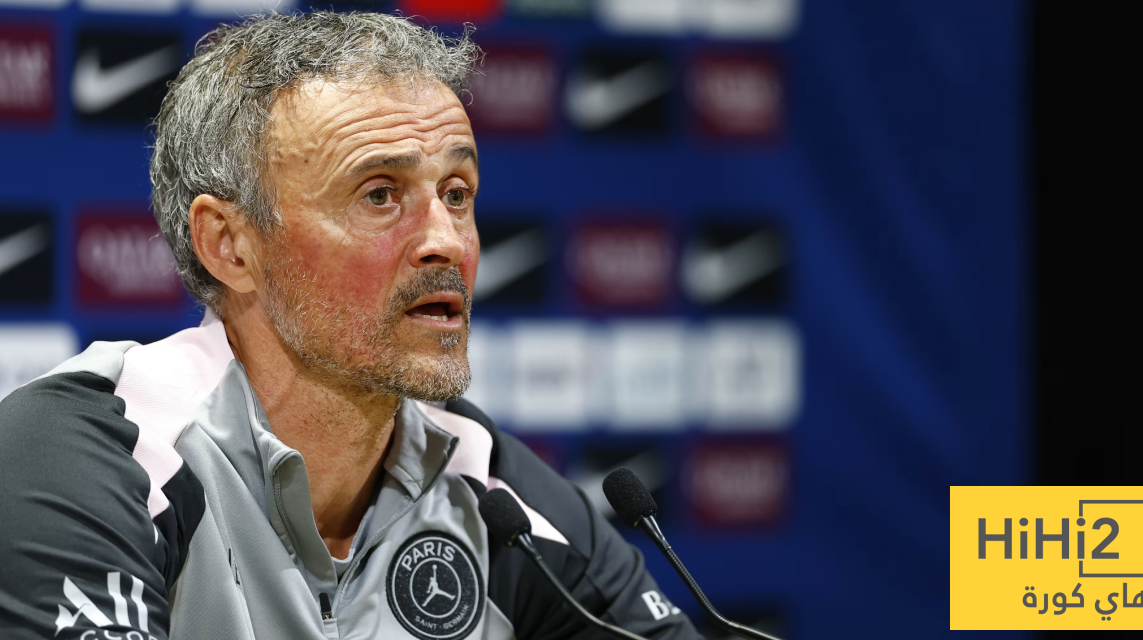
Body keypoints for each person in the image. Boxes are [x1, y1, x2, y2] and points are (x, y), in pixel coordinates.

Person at [0, 12, 699, 640]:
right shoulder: (93, 454)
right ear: (230, 246)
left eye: (457, 194)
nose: (446, 241)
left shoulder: (494, 492)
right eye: (380, 195)